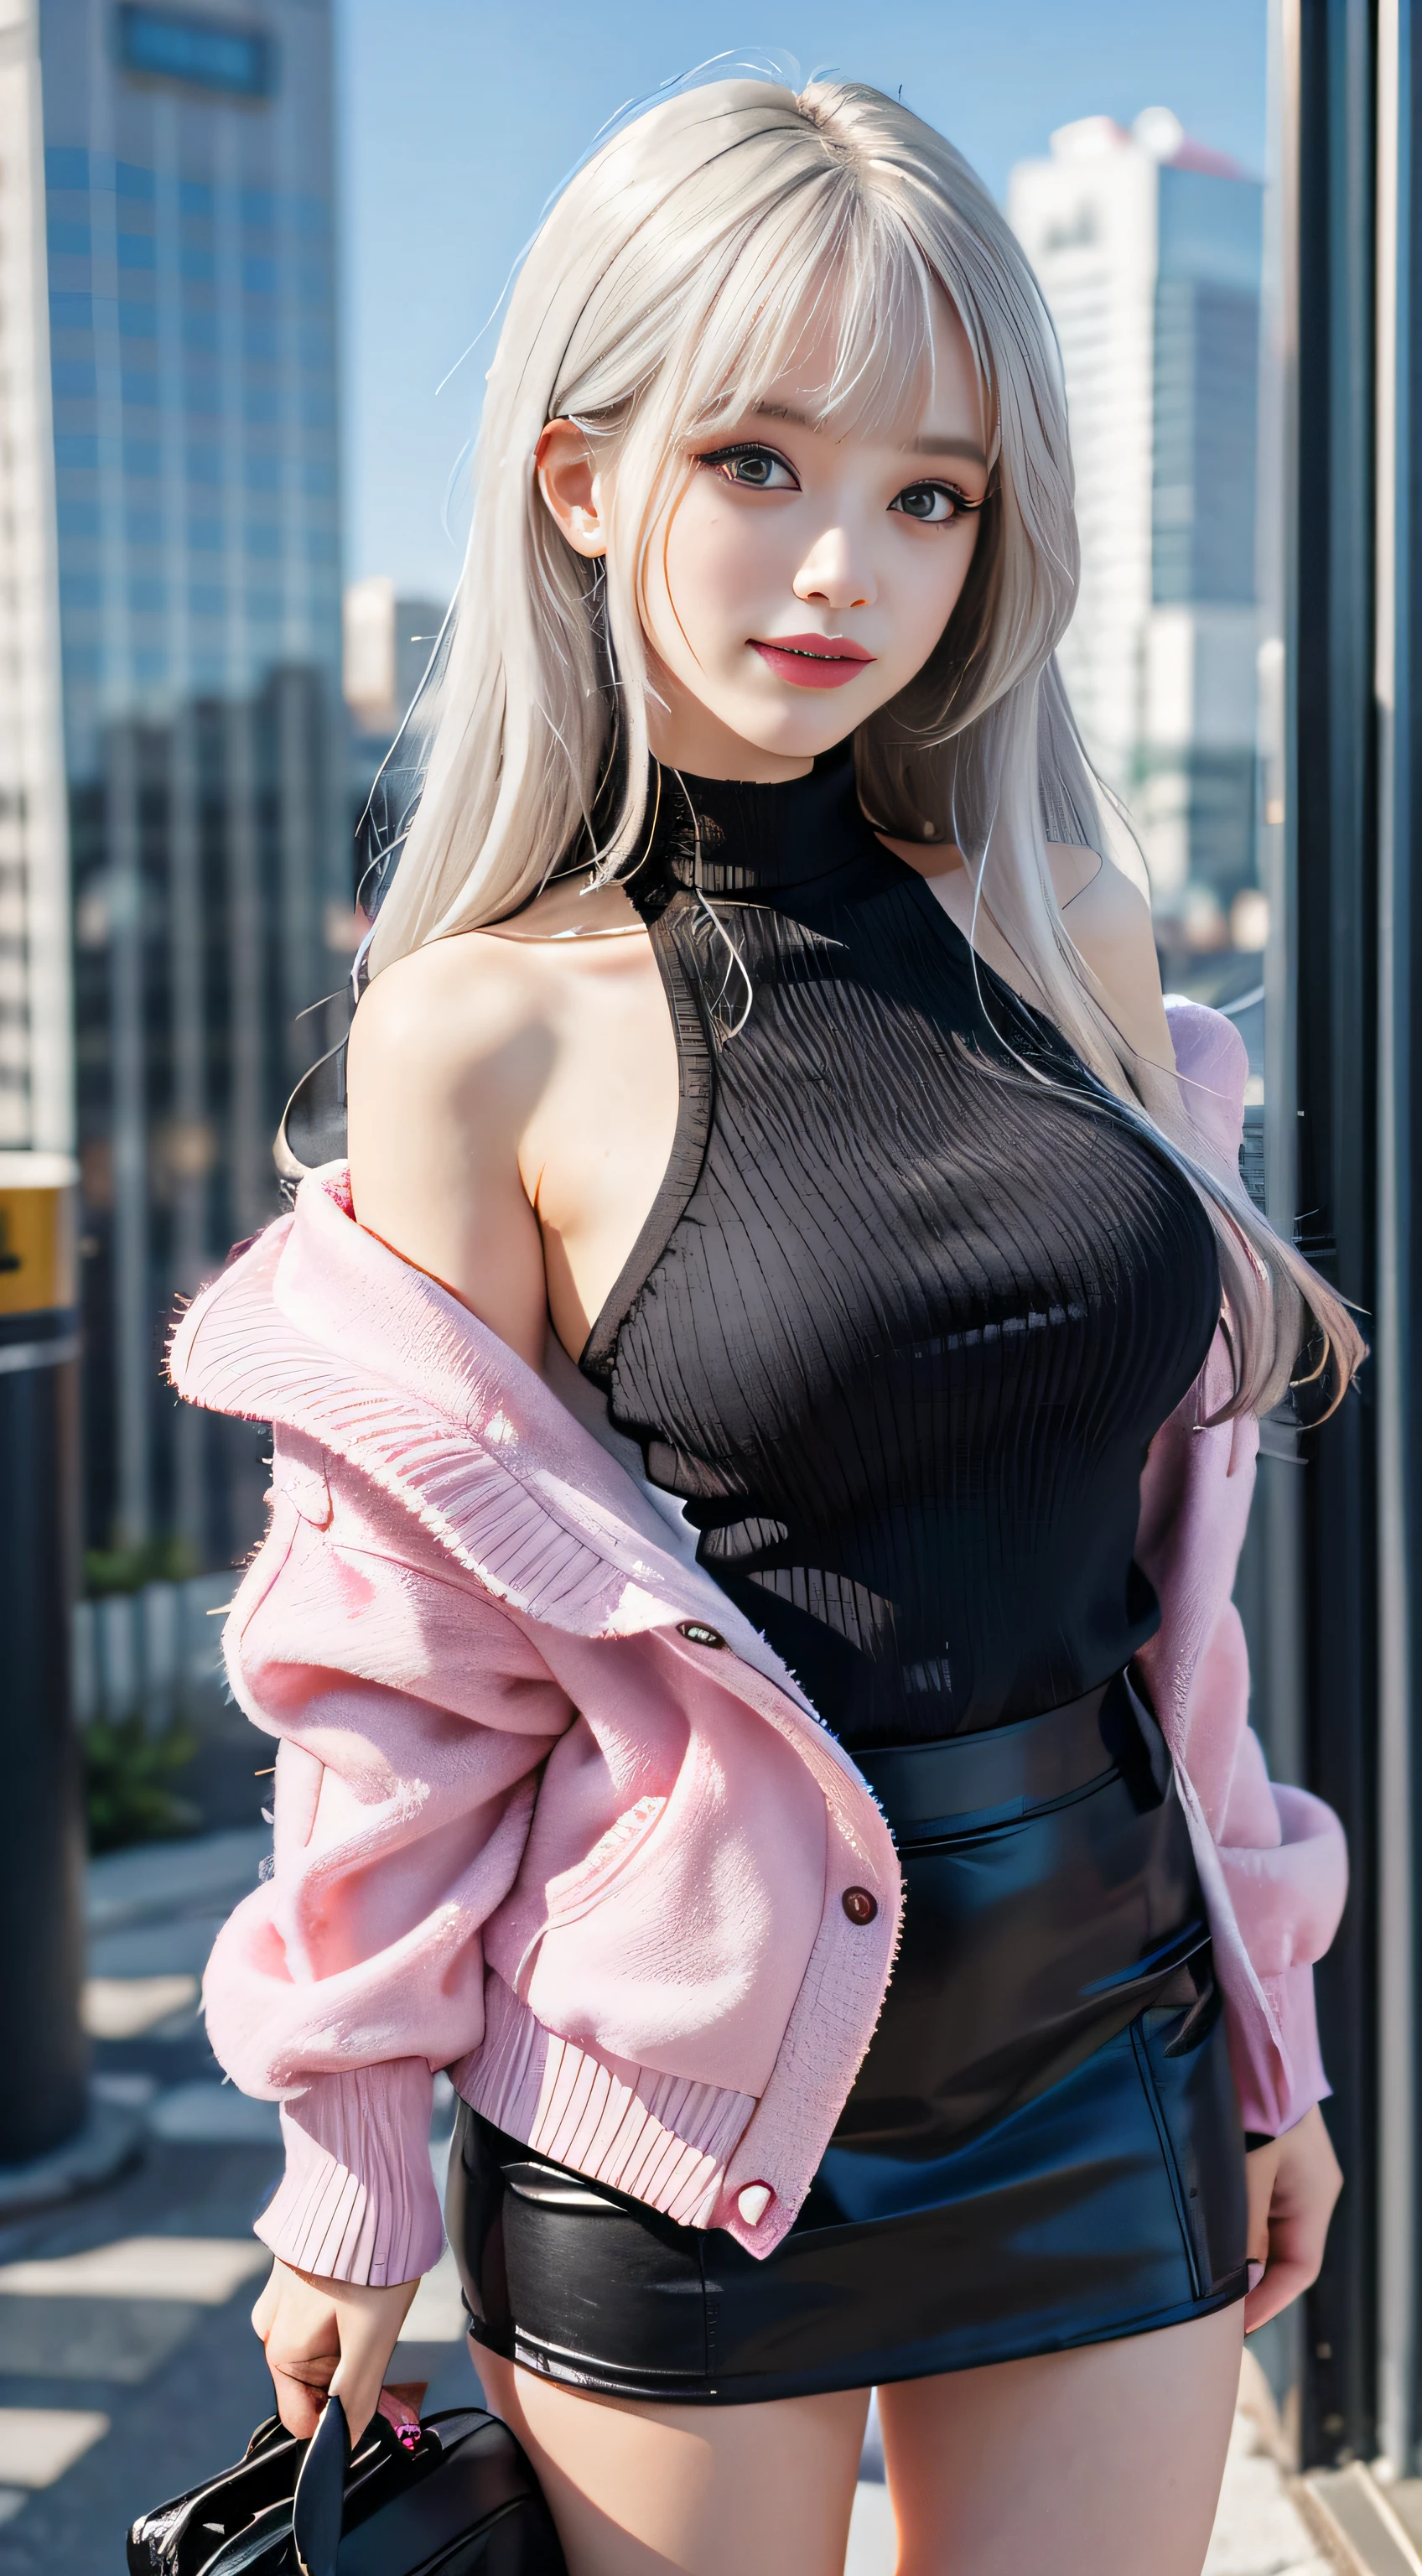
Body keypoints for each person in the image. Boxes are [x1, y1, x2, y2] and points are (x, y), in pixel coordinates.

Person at [171, 75, 1356, 2576]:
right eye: (756, 460)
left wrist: (1274, 2033)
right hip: (671, 2099)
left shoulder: (1074, 943)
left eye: (934, 492)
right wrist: (351, 2170)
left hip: (1103, 2027)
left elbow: (1181, 1600)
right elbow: (401, 1664)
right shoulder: (477, 1026)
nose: (848, 565)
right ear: (582, 476)